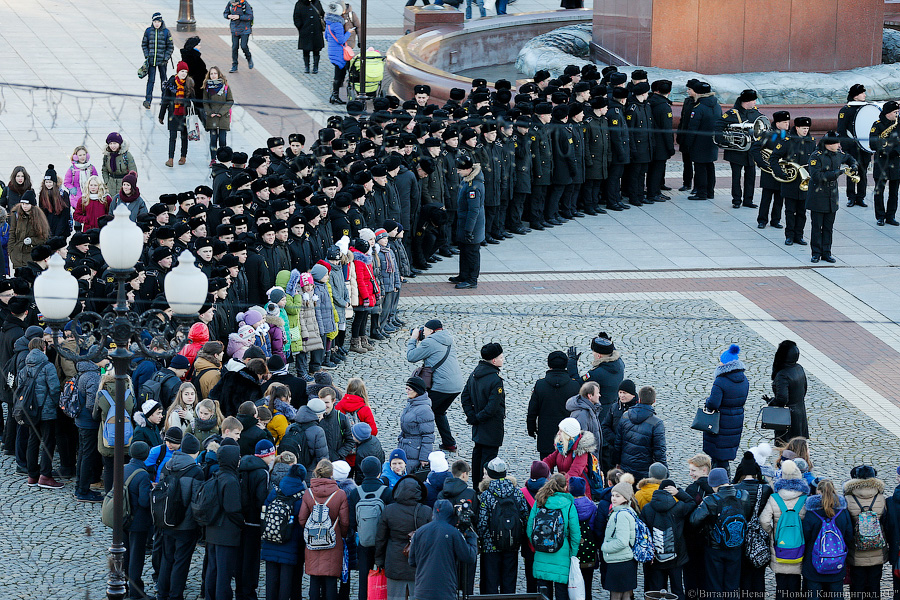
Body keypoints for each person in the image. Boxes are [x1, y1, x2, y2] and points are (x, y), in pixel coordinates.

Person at [405, 319, 464, 452]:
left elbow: (411, 356)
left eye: (424, 331)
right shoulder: (447, 338)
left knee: (422, 411)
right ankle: (449, 443)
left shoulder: (430, 342)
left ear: (431, 331)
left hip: (442, 386)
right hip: (456, 386)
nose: (423, 334)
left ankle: (417, 441)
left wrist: (413, 339)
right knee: (438, 411)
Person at [688, 467, 745, 597]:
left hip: (715, 548)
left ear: (713, 484)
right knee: (732, 585)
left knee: (714, 585)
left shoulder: (710, 500)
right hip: (736, 546)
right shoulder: (743, 496)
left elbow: (694, 520)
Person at [476, 457, 529, 594]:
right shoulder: (517, 492)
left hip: (490, 545)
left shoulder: (486, 495)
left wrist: (483, 540)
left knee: (490, 582)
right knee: (509, 580)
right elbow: (525, 516)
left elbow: (482, 522)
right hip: (512, 542)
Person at [759, 458, 809, 600]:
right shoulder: (804, 498)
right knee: (795, 584)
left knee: (781, 584)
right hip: (799, 547)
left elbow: (763, 520)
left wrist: (771, 534)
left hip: (780, 547)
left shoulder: (775, 498)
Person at [375, 475, 431, 600]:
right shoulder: (426, 511)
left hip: (394, 562)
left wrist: (379, 559)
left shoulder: (389, 510)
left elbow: (381, 538)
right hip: (418, 564)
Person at [409, 498, 478, 600]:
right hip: (445, 590)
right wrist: (471, 535)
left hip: (422, 590)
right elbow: (469, 557)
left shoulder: (419, 532)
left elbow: (412, 561)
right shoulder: (453, 533)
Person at [526, 473, 581, 600]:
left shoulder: (540, 501)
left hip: (541, 552)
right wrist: (572, 553)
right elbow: (575, 533)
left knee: (543, 592)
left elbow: (530, 528)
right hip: (562, 551)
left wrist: (537, 544)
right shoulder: (568, 504)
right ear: (565, 486)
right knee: (562, 592)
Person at [807, 130, 858, 263]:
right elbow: (816, 177)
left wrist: (854, 165)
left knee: (829, 227)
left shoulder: (837, 154)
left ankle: (826, 252)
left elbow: (848, 157)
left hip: (832, 196)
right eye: (837, 143)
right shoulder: (816, 156)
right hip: (818, 196)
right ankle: (816, 253)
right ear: (829, 145)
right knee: (817, 227)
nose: (839, 145)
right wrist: (836, 173)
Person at [460, 342, 505, 487]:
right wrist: (477, 418)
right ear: (493, 360)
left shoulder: (475, 374)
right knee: (488, 460)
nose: (503, 359)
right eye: (501, 356)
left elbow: (465, 396)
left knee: (477, 456)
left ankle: (475, 486)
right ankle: (484, 489)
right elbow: (492, 407)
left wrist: (471, 416)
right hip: (491, 428)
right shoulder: (495, 380)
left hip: (478, 428)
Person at [261, 463, 307, 600]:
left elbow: (265, 509)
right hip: (290, 543)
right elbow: (302, 520)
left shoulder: (275, 491)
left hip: (270, 540)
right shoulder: (301, 495)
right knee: (287, 581)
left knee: (271, 579)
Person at [801, 479, 853, 599]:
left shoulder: (811, 513)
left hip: (814, 563)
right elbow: (849, 535)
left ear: (818, 491)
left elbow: (805, 536)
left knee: (814, 595)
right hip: (837, 561)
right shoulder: (842, 512)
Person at [205, 443, 244, 600]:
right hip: (226, 534)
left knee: (212, 570)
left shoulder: (216, 475)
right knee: (224, 574)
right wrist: (242, 522)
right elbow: (232, 509)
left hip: (213, 531)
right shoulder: (231, 480)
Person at [22, 338, 62, 488]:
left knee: (33, 440)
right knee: (48, 441)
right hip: (46, 410)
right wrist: (57, 404)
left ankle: (32, 476)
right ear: (43, 348)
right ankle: (45, 476)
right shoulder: (48, 366)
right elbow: (55, 389)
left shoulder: (24, 367)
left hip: (30, 411)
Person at [843, 465, 887, 599]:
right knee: (874, 586)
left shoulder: (848, 499)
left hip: (856, 551)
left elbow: (846, 526)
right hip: (877, 550)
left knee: (857, 586)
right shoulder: (881, 498)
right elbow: (885, 522)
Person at [770, 116, 816, 247]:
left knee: (802, 212)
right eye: (803, 128)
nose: (806, 131)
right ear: (797, 128)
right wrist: (780, 174)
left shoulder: (812, 142)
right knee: (790, 211)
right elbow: (774, 158)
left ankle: (799, 236)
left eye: (807, 128)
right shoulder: (787, 141)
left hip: (805, 183)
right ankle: (789, 236)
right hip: (790, 182)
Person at [703, 344, 749, 473]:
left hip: (721, 421)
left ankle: (720, 479)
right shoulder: (744, 379)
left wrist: (707, 401)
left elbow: (713, 403)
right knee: (725, 453)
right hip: (736, 419)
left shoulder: (721, 381)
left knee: (718, 455)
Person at [732, 451, 773, 596]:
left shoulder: (735, 490)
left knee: (743, 575)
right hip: (759, 537)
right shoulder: (766, 489)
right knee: (758, 574)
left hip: (741, 537)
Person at [528, 351, 581, 459]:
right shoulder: (574, 385)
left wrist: (531, 428)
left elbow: (532, 411)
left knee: (546, 466)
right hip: (568, 434)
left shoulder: (540, 385)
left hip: (545, 433)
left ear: (549, 365)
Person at [566, 332, 625, 423]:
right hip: (613, 408)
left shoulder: (596, 373)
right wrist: (605, 341)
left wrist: (572, 362)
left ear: (598, 356)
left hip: (600, 413)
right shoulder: (619, 364)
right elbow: (611, 351)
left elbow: (578, 383)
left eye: (593, 352)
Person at [615, 385, 666, 480]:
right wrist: (663, 471)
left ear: (639, 399)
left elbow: (618, 443)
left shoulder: (625, 416)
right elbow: (659, 450)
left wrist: (617, 463)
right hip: (645, 470)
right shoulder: (657, 423)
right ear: (654, 401)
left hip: (626, 466)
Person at [123, 442, 153, 599]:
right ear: (146, 455)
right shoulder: (143, 474)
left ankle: (123, 587)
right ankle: (136, 591)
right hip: (138, 523)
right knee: (136, 557)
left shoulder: (123, 468)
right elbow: (144, 502)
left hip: (122, 519)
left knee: (124, 555)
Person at [450, 154, 484, 289]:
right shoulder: (468, 180)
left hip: (472, 226)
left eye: (460, 169)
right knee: (464, 250)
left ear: (468, 169)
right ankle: (463, 274)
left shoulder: (473, 186)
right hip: (465, 223)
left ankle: (472, 279)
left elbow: (473, 210)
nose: (458, 172)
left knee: (471, 252)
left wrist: (469, 230)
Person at [600, 479, 637, 600]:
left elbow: (622, 541)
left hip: (620, 561)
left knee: (617, 595)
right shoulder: (625, 511)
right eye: (613, 495)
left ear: (625, 498)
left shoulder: (621, 515)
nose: (613, 498)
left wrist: (604, 547)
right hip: (623, 560)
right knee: (625, 594)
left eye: (618, 496)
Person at [754, 110, 790, 228]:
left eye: (788, 122)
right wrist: (762, 164)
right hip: (769, 171)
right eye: (784, 122)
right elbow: (755, 149)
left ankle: (776, 220)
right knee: (766, 198)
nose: (787, 124)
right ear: (777, 123)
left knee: (780, 198)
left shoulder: (789, 135)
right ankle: (762, 220)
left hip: (782, 170)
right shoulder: (768, 134)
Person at [685, 81, 721, 201]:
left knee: (700, 168)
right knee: (710, 167)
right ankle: (710, 191)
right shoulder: (717, 105)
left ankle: (701, 193)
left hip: (699, 143)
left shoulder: (699, 108)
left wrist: (688, 144)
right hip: (712, 141)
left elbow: (693, 128)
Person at [837, 83, 871, 207]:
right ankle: (851, 197)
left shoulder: (866, 108)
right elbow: (841, 130)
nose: (864, 95)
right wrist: (847, 145)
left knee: (863, 171)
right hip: (851, 146)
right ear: (855, 96)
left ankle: (861, 197)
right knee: (852, 171)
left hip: (864, 147)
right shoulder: (846, 110)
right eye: (862, 93)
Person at [769, 340, 808, 445]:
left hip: (788, 418)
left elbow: (782, 399)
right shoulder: (799, 368)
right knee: (798, 447)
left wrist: (772, 402)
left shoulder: (782, 374)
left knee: (786, 448)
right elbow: (804, 390)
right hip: (800, 413)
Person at [869, 100, 900, 227]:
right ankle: (880, 216)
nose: (897, 114)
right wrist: (884, 150)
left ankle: (891, 216)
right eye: (894, 112)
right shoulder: (877, 125)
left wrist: (895, 151)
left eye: (897, 112)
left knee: (894, 191)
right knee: (879, 191)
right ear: (887, 113)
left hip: (896, 160)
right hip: (882, 161)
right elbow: (872, 143)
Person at [158, 62, 195, 168]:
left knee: (184, 136)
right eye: (182, 71)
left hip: (184, 114)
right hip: (173, 114)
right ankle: (170, 158)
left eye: (186, 72)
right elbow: (165, 100)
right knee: (172, 137)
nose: (184, 74)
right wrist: (161, 115)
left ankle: (183, 156)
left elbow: (195, 100)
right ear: (177, 72)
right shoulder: (171, 83)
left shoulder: (189, 83)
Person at [397, 376, 434, 472]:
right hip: (406, 448)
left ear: (417, 391)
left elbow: (428, 436)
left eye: (409, 389)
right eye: (406, 388)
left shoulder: (424, 410)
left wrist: (424, 458)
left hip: (415, 452)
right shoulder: (411, 403)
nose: (407, 391)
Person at [600, 379, 636, 474]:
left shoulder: (637, 409)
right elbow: (605, 426)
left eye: (625, 393)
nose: (621, 395)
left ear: (632, 395)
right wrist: (615, 440)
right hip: (614, 450)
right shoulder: (614, 407)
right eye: (620, 392)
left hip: (631, 451)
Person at [8, 190, 50, 270]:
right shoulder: (16, 215)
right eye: (23, 204)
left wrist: (32, 240)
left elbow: (43, 237)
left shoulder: (39, 217)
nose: (24, 206)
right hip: (17, 255)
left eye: (27, 204)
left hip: (31, 256)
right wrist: (11, 251)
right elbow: (12, 233)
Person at [141, 12, 174, 109]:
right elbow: (144, 44)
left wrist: (165, 57)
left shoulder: (166, 32)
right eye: (155, 21)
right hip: (151, 61)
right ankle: (148, 100)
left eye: (158, 21)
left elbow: (170, 46)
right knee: (151, 80)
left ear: (161, 21)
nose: (156, 24)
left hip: (162, 62)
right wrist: (147, 56)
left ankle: (164, 100)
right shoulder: (148, 31)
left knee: (164, 80)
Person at [202, 67, 234, 168]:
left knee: (222, 140)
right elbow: (205, 102)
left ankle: (223, 159)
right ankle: (213, 159)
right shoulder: (207, 87)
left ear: (219, 74)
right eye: (211, 74)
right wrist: (209, 112)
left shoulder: (225, 86)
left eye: (215, 73)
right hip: (212, 117)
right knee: (213, 139)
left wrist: (221, 112)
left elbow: (230, 100)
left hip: (223, 116)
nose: (213, 75)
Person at [324, 1, 352, 104]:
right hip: (339, 53)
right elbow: (341, 40)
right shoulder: (338, 25)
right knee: (339, 74)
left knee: (339, 73)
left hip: (332, 51)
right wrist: (348, 33)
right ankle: (334, 95)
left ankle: (334, 95)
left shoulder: (329, 22)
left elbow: (326, 37)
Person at [294, 0, 325, 74]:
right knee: (306, 50)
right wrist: (300, 27)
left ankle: (315, 67)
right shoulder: (299, 4)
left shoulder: (317, 2)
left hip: (316, 31)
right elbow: (296, 17)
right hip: (305, 31)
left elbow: (322, 14)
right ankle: (307, 66)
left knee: (316, 50)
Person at [224, 0, 254, 73]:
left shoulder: (245, 4)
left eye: (235, 3)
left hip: (245, 29)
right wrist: (228, 16)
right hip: (235, 29)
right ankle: (234, 65)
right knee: (234, 47)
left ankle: (249, 58)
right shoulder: (230, 4)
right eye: (232, 3)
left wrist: (239, 17)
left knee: (243, 46)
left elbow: (250, 17)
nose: (233, 4)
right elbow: (225, 13)